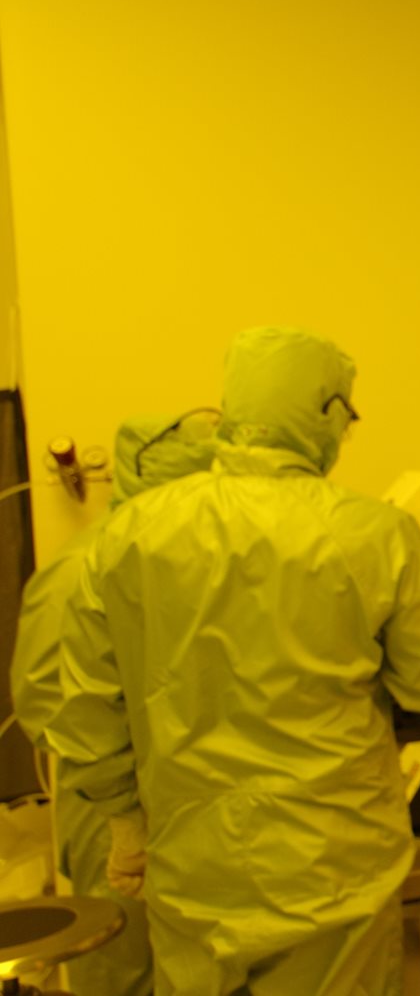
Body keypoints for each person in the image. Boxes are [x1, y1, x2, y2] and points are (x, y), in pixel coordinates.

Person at [51, 326, 420, 995]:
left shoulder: (127, 537)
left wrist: (123, 825)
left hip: (191, 874)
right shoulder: (374, 533)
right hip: (334, 873)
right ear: (328, 415)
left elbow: (84, 707)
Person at [12, 409, 218, 996]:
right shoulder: (83, 568)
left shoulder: (188, 562)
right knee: (125, 969)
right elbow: (48, 704)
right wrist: (125, 807)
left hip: (184, 806)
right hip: (113, 810)